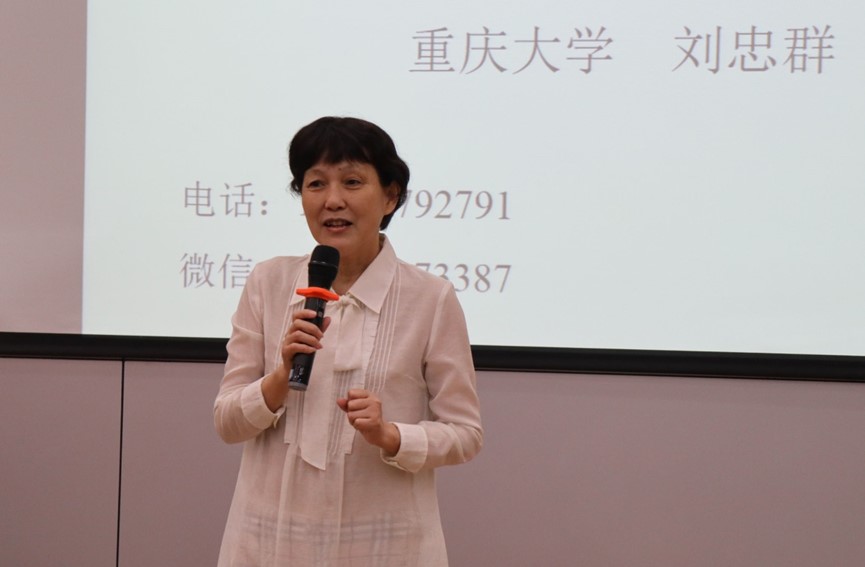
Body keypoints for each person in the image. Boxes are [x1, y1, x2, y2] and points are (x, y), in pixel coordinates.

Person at [214, 116, 483, 566]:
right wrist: (279, 378)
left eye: (352, 182)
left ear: (390, 196)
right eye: (316, 184)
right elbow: (227, 423)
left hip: (386, 545)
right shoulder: (268, 282)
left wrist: (390, 435)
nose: (332, 200)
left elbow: (465, 434)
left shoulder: (430, 298)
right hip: (270, 541)